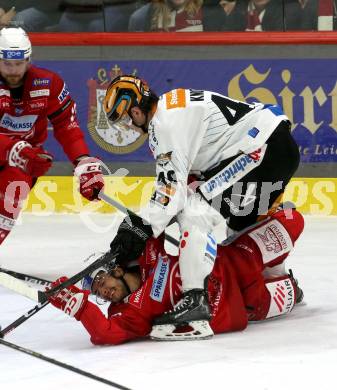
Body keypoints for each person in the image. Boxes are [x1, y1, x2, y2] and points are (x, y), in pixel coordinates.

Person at [99, 74, 300, 339]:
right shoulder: (173, 105)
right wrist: (145, 224)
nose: (132, 127)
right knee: (241, 225)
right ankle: (281, 283)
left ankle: (195, 302)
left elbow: (169, 194)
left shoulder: (164, 125)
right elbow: (181, 183)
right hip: (272, 145)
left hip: (260, 150)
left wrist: (137, 228)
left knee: (194, 215)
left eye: (127, 120)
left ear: (136, 111)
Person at [48, 207, 305, 343]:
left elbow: (164, 211)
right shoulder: (126, 314)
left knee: (293, 218)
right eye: (98, 293)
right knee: (293, 292)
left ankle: (273, 266)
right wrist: (80, 308)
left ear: (116, 269)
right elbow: (105, 334)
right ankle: (280, 275)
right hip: (245, 305)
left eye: (102, 282)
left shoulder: (145, 252)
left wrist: (132, 229)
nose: (104, 292)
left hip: (236, 261)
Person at [0, 27, 104, 248]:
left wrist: (83, 161)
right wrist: (12, 148)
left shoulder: (48, 84)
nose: (13, 70)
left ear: (28, 60)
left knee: (12, 194)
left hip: (21, 162)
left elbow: (67, 125)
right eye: (7, 64)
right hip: (14, 153)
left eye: (18, 64)